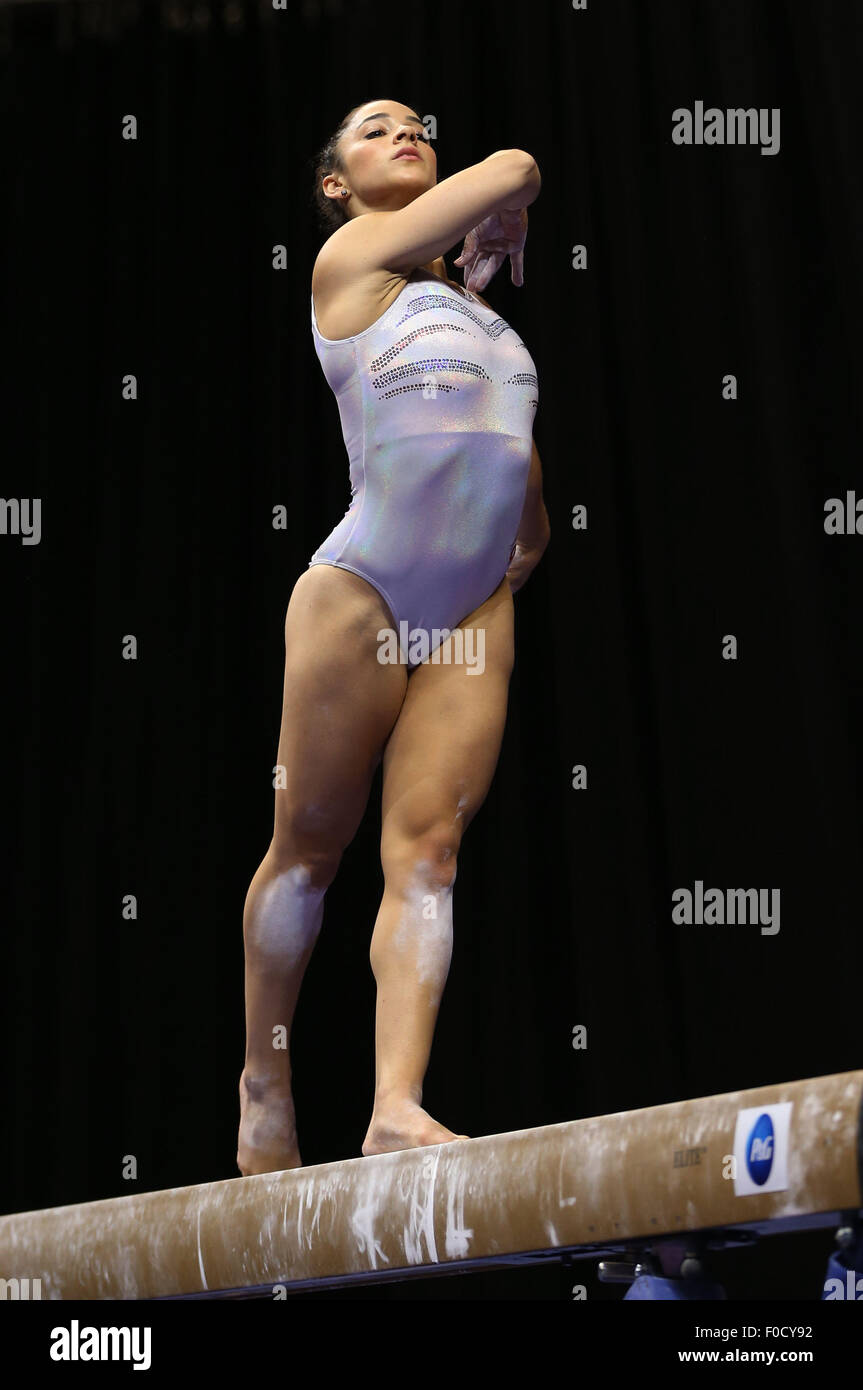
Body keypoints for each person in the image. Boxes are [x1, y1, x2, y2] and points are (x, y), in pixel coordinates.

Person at [237, 98, 549, 1177]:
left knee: (426, 852)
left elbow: (507, 445)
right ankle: (265, 1074)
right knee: (309, 851)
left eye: (416, 123)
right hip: (362, 590)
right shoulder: (349, 261)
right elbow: (514, 162)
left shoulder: (479, 317)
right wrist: (506, 208)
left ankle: (394, 1106)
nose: (406, 131)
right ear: (336, 183)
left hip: (470, 602)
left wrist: (526, 528)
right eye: (374, 131)